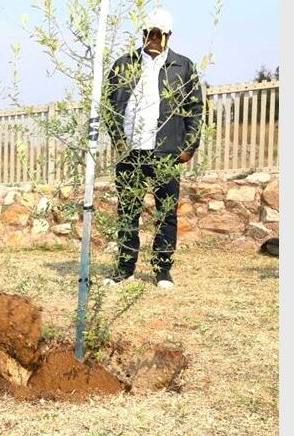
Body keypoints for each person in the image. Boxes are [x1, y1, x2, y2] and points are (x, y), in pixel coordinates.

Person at [103, 8, 204, 289]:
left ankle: (162, 271)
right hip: (131, 153)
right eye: (149, 33)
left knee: (166, 213)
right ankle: (124, 269)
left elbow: (195, 109)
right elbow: (110, 106)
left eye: (159, 34)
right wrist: (118, 140)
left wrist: (189, 146)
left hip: (166, 153)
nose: (154, 39)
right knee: (127, 212)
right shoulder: (124, 64)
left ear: (169, 36)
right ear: (143, 33)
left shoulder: (183, 67)